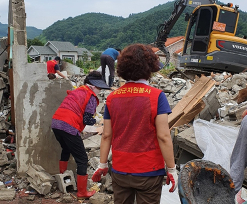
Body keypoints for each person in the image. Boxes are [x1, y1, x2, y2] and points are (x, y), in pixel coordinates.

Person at [92, 43, 178, 204]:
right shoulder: (157, 96)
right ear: (150, 67)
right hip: (149, 171)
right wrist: (172, 169)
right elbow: (164, 136)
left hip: (120, 170)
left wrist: (102, 164)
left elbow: (106, 135)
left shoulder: (112, 98)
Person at [51, 71, 110, 199]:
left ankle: (63, 177)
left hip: (56, 123)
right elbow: (87, 120)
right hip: (68, 125)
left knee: (66, 148)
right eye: (99, 87)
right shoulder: (91, 96)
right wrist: (100, 121)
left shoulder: (77, 91)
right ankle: (82, 193)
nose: (99, 90)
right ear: (93, 85)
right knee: (82, 159)